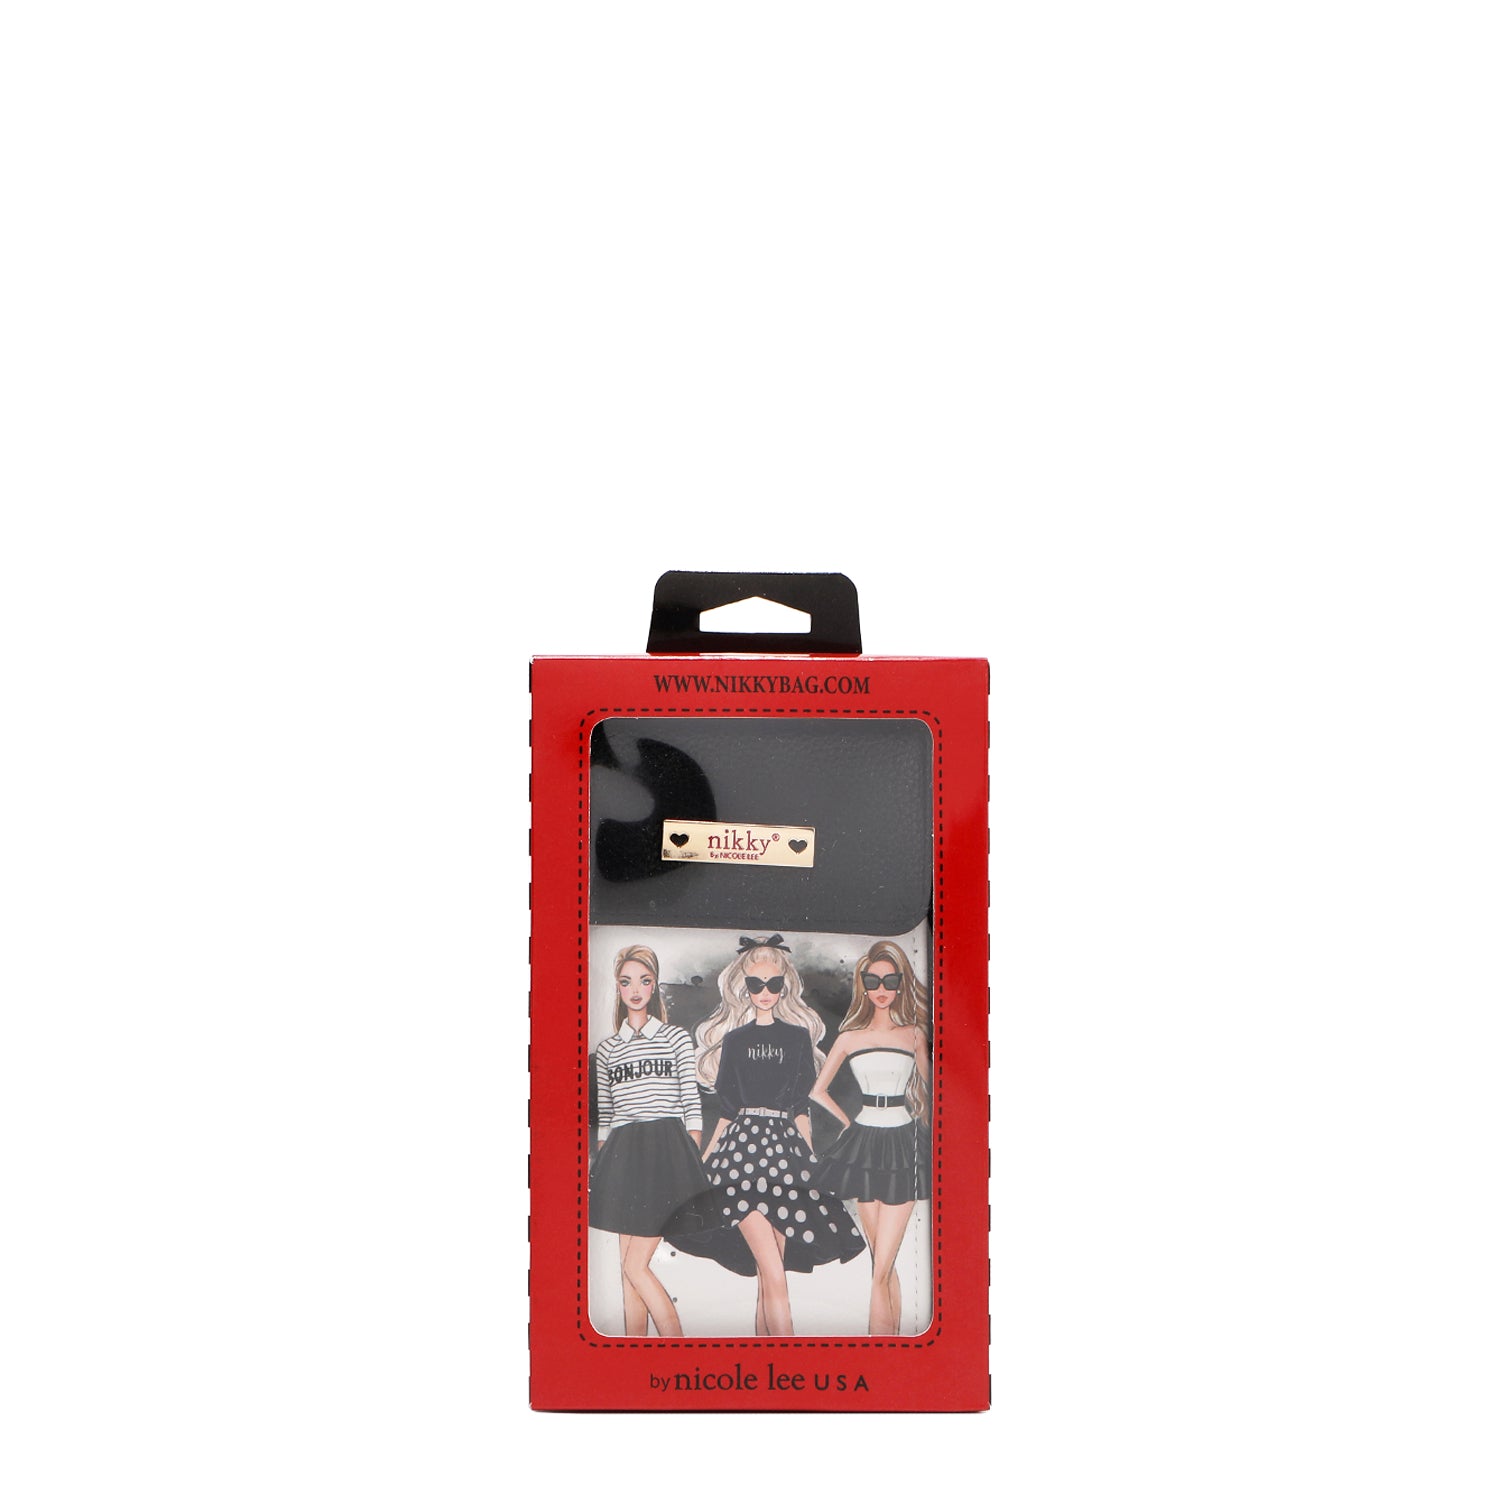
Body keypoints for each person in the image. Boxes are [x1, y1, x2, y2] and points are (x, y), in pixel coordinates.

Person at [668, 936, 864, 1336]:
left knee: (768, 1275)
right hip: (740, 1158)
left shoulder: (797, 1038)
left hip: (785, 1157)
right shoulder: (734, 1040)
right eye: (756, 984)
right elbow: (727, 1111)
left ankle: (766, 1359)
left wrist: (811, 1160)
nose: (764, 992)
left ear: (784, 986)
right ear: (744, 987)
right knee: (773, 1272)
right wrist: (702, 1163)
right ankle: (790, 1356)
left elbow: (801, 1109)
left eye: (773, 984)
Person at [808, 940, 931, 1335]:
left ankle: (882, 1351)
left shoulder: (914, 1035)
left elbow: (933, 1090)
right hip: (863, 1142)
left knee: (882, 1268)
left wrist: (927, 1124)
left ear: (901, 984)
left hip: (902, 1142)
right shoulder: (849, 1037)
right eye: (873, 980)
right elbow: (817, 1090)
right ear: (862, 984)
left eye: (890, 981)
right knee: (882, 1263)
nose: (881, 989)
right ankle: (894, 1350)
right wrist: (847, 1122)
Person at [589, 944, 710, 1336]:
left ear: (654, 984)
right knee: (627, 1272)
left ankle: (675, 1348)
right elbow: (607, 1116)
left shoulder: (675, 1038)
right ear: (618, 988)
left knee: (634, 1266)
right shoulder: (608, 1049)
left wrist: (688, 1154)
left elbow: (691, 1102)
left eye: (643, 980)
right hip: (622, 1154)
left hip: (665, 1150)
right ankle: (634, 1357)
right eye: (626, 982)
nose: (635, 990)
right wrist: (604, 1163)